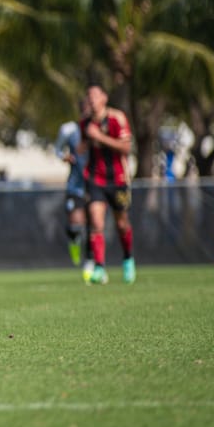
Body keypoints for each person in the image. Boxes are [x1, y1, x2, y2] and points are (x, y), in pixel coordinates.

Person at [81, 82, 135, 284]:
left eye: (95, 96)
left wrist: (100, 137)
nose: (92, 100)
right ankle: (100, 268)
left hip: (118, 180)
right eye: (89, 96)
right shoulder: (85, 123)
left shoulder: (116, 118)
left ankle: (128, 258)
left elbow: (126, 148)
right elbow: (83, 145)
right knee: (96, 221)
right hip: (95, 179)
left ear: (104, 98)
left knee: (122, 223)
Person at [54, 99, 90, 272]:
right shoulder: (70, 130)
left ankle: (91, 261)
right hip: (75, 185)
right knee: (75, 224)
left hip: (94, 184)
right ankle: (75, 247)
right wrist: (65, 157)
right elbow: (57, 150)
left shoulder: (99, 130)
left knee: (94, 223)